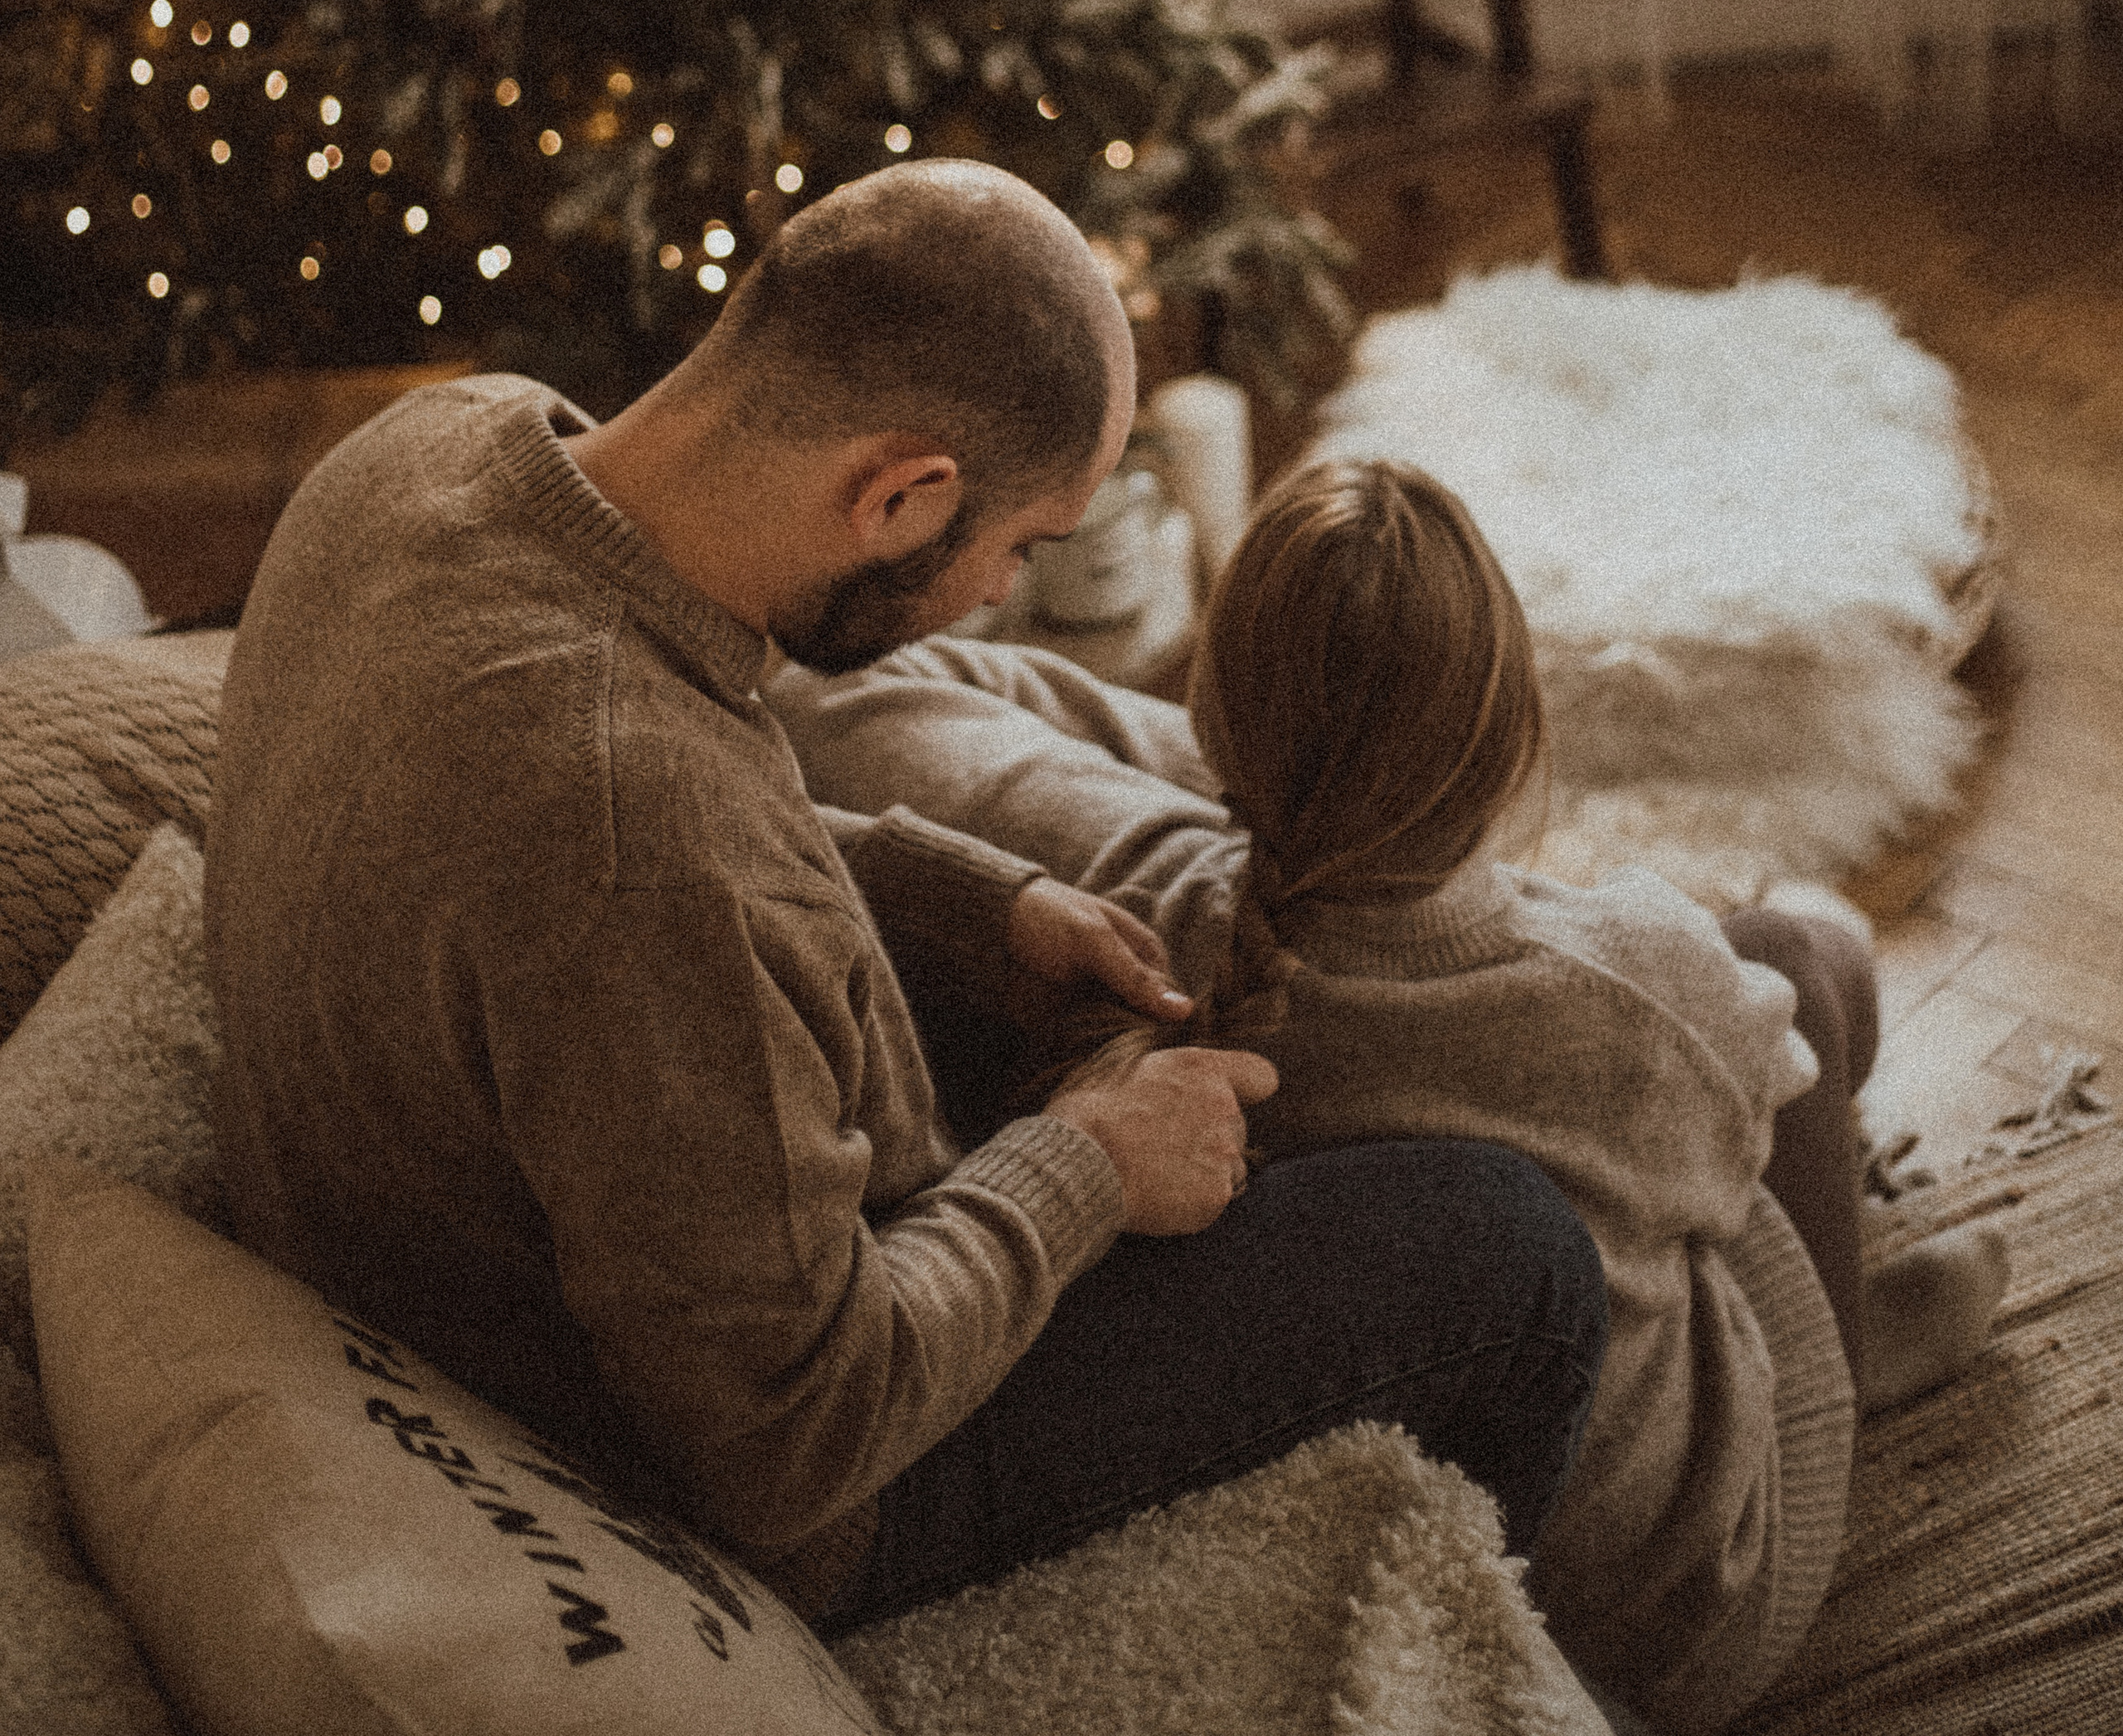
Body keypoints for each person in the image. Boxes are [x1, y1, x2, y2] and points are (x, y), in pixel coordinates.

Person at [205, 166, 1608, 1639]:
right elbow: (787, 1440)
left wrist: (966, 906)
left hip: (520, 1180)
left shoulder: (438, 441)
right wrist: (1087, 1168)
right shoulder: (638, 835)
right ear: (902, 494)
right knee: (1506, 1251)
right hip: (753, 1474)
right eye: (1020, 546)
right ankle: (1456, 1657)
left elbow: (614, 856)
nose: (1004, 592)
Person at [768, 454, 2013, 1722]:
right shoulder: (1632, 980)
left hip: (1504, 1519)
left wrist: (1246, 776)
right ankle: (1839, 1377)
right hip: (1692, 1605)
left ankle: (1822, 1316)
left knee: (1693, 1077)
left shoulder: (1130, 913)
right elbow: (1747, 1120)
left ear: (1219, 727)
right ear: (1517, 731)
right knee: (1804, 956)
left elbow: (853, 703)